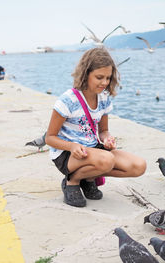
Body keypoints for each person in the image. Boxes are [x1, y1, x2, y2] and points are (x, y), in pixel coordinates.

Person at [45, 47, 146, 207]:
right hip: (68, 155)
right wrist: (72, 146)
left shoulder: (104, 98)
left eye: (108, 77)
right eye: (99, 77)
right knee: (107, 159)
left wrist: (108, 139)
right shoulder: (67, 100)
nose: (105, 83)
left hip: (94, 151)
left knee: (139, 166)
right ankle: (72, 181)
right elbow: (49, 138)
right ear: (86, 74)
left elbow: (103, 131)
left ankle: (88, 177)